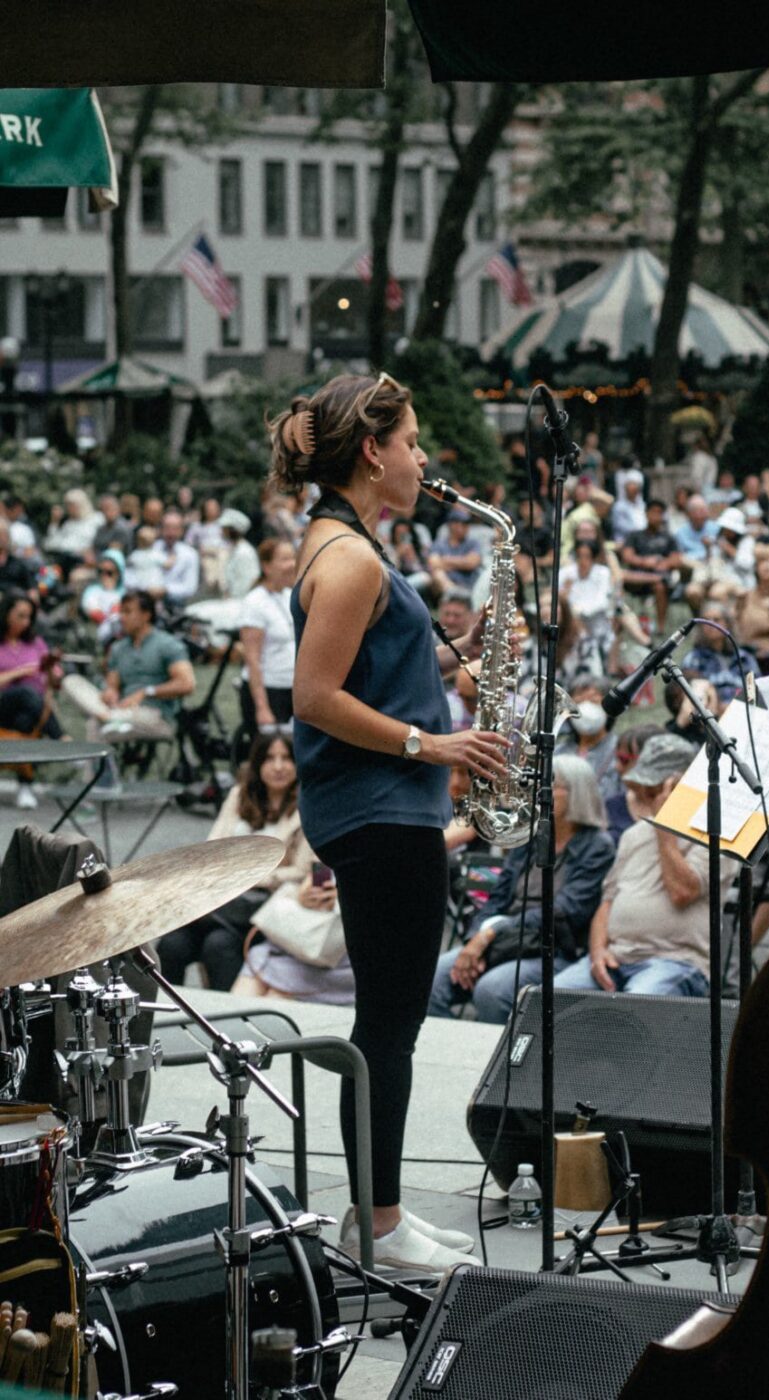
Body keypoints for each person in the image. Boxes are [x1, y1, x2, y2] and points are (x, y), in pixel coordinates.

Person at [271, 370, 509, 1272]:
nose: (421, 459)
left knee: (388, 1025)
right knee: (385, 1029)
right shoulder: (353, 558)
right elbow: (313, 697)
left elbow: (363, 674)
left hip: (379, 809)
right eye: (410, 442)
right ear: (372, 452)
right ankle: (377, 1224)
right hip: (380, 812)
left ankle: (379, 1215)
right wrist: (432, 744)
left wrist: (453, 663)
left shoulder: (342, 542)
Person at [428, 756, 615, 1023]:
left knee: (491, 991)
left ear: (578, 792)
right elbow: (497, 897)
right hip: (502, 941)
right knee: (433, 979)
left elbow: (565, 911)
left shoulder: (597, 846)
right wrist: (474, 940)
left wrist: (491, 934)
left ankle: (501, 1050)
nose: (539, 793)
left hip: (551, 949)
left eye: (550, 785)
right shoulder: (530, 836)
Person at [555, 734, 736, 997]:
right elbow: (607, 903)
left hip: (675, 962)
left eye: (655, 788)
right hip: (616, 958)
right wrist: (597, 953)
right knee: (548, 1000)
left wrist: (666, 830)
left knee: (636, 1006)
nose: (646, 796)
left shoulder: (716, 835)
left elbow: (682, 892)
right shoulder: (633, 835)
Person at [158, 730, 312, 989]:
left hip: (265, 906)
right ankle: (161, 1011)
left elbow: (303, 871)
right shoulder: (239, 795)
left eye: (287, 758)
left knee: (218, 945)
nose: (278, 767)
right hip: (221, 898)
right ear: (257, 763)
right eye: (269, 758)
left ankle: (225, 1015)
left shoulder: (307, 806)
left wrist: (253, 877)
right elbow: (211, 850)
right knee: (172, 945)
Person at [62, 589, 195, 742]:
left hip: (155, 715)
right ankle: (109, 717)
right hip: (121, 709)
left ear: (146, 615)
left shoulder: (167, 644)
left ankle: (108, 718)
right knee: (71, 681)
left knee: (95, 725)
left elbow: (187, 684)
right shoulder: (118, 648)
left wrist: (146, 692)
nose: (121, 617)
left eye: (128, 612)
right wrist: (110, 693)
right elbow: (112, 685)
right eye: (121, 612)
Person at [238, 537, 297, 730]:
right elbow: (252, 659)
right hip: (269, 691)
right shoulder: (255, 602)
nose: (292, 564)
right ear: (267, 566)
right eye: (285, 559)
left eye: (293, 558)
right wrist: (262, 707)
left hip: (292, 689)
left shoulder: (289, 595)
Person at [0, 590, 65, 751]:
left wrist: (50, 668)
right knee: (25, 692)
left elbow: (55, 681)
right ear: (6, 614)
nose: (26, 622)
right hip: (4, 702)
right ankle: (61, 737)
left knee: (25, 720)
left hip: (33, 706)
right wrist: (20, 672)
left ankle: (26, 762)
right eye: (20, 616)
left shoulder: (35, 642)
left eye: (29, 617)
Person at [620, 498, 682, 635]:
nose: (656, 516)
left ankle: (660, 627)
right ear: (646, 514)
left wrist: (663, 563)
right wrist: (644, 561)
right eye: (653, 512)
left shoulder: (669, 538)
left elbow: (677, 560)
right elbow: (627, 556)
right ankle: (624, 625)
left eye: (659, 513)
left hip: (660, 578)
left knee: (660, 586)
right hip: (637, 578)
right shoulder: (635, 535)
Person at [681, 604, 760, 704]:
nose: (711, 624)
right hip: (709, 710)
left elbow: (758, 691)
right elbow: (689, 697)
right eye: (706, 620)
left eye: (716, 620)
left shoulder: (744, 658)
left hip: (743, 709)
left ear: (727, 624)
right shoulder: (693, 659)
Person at [735, 552, 769, 673]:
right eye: (762, 562)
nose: (766, 566)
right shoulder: (745, 597)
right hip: (750, 657)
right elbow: (740, 635)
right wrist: (738, 609)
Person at [149, 509, 200, 606]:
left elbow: (190, 588)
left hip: (177, 606)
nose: (171, 532)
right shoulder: (151, 549)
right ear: (161, 529)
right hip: (149, 602)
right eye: (167, 528)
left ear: (182, 531)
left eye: (175, 528)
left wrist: (165, 590)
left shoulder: (190, 554)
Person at [79, 549, 125, 645]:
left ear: (119, 573)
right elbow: (94, 613)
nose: (104, 576)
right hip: (95, 638)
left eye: (109, 572)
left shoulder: (125, 593)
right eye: (101, 571)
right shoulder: (92, 590)